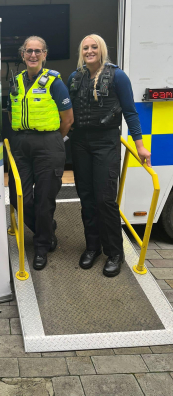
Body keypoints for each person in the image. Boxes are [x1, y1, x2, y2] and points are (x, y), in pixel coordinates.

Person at [68, 34, 151, 277]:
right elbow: (66, 111)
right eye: (85, 47)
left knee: (105, 198)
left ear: (102, 50)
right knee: (86, 197)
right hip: (80, 142)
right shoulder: (75, 77)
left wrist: (140, 145)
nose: (90, 51)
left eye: (94, 47)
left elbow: (131, 113)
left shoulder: (118, 76)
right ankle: (92, 247)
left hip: (106, 142)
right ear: (81, 51)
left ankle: (115, 252)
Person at [8, 36, 74, 271]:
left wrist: (56, 139)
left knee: (45, 200)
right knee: (19, 197)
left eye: (38, 51)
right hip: (21, 145)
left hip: (48, 144)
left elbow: (68, 119)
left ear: (45, 54)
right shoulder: (15, 81)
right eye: (28, 51)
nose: (33, 55)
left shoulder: (55, 82)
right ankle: (46, 229)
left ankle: (43, 245)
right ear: (22, 54)